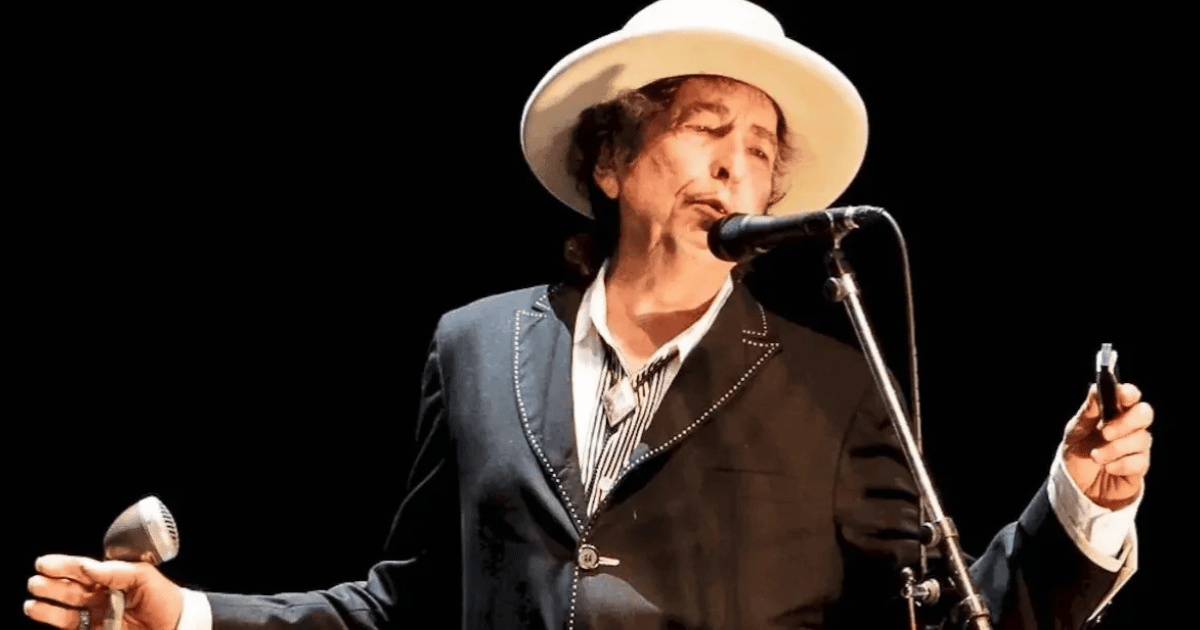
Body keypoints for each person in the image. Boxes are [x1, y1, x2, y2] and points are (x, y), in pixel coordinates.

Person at [25, 1, 1152, 628]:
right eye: (706, 128)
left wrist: (1078, 512)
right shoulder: (476, 347)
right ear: (611, 161)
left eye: (761, 148)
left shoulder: (830, 383)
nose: (738, 165)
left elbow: (944, 618)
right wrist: (187, 615)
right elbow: (406, 606)